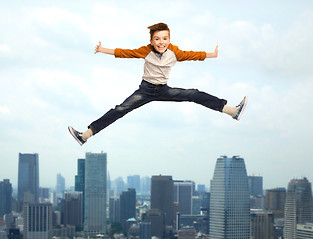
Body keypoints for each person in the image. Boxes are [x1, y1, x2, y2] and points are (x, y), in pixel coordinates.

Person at [68, 22, 248, 146]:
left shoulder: (175, 52)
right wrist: (102, 50)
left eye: (165, 39)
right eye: (157, 39)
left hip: (164, 90)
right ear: (151, 41)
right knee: (120, 109)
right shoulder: (145, 51)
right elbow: (124, 52)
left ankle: (232, 111)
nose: (161, 42)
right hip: (145, 90)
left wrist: (211, 55)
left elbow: (193, 55)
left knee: (193, 93)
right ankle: (86, 135)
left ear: (169, 40)